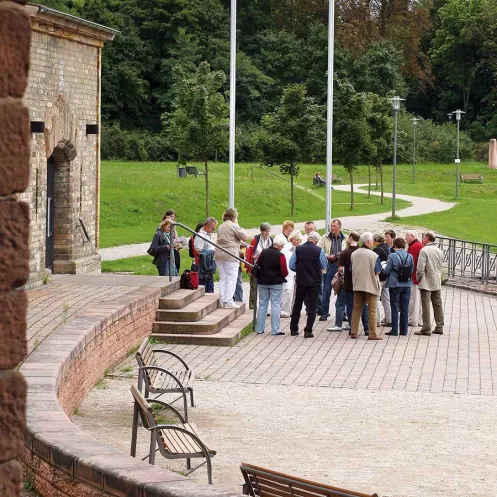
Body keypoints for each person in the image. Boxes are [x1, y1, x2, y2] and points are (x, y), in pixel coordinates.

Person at [327, 232, 369, 334]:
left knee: (347, 305)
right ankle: (367, 328)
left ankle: (350, 327)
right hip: (361, 282)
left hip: (348, 282)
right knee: (363, 305)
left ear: (350, 238)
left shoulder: (345, 252)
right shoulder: (362, 251)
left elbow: (340, 269)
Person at [289, 232, 327, 338]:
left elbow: (291, 265)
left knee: (297, 304)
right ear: (316, 240)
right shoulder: (319, 250)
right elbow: (324, 265)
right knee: (312, 306)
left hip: (301, 280)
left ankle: (293, 329)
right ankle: (308, 330)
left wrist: (301, 269)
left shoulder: (298, 249)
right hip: (314, 282)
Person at [350, 232, 382, 340]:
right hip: (370, 285)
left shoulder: (354, 254)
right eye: (372, 240)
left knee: (356, 309)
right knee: (372, 311)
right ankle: (372, 334)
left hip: (358, 284)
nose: (373, 242)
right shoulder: (374, 255)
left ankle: (353, 331)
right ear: (368, 242)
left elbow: (351, 269)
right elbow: (378, 271)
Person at [255, 234, 288, 336]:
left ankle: (259, 328)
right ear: (280, 245)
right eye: (282, 246)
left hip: (263, 281)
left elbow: (258, 264)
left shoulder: (264, 252)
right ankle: (275, 329)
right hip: (276, 282)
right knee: (275, 305)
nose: (282, 247)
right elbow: (284, 271)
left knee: (262, 305)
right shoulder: (280, 256)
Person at [215, 208, 248, 309]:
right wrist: (238, 224)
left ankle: (222, 300)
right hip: (231, 255)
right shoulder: (233, 225)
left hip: (219, 255)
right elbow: (245, 236)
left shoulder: (221, 226)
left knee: (223, 278)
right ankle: (228, 301)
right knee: (231, 279)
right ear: (234, 216)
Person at [382, 237, 414, 336]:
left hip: (395, 283)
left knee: (394, 307)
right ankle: (404, 330)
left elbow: (387, 270)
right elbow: (411, 270)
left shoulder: (392, 256)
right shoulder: (410, 256)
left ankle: (395, 330)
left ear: (395, 246)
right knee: (405, 307)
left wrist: (384, 271)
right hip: (407, 284)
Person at [415, 232, 444, 336]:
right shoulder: (439, 250)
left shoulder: (424, 250)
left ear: (427, 238)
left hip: (426, 281)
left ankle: (426, 328)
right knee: (437, 304)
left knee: (426, 305)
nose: (422, 239)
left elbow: (420, 268)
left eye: (423, 237)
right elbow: (441, 265)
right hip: (436, 279)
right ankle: (439, 326)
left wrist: (418, 278)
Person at [318, 219, 345, 321]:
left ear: (339, 227)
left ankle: (343, 313)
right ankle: (324, 313)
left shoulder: (345, 237)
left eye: (334, 226)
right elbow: (319, 250)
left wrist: (340, 256)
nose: (332, 228)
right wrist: (327, 256)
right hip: (329, 266)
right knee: (326, 289)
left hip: (341, 266)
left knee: (342, 290)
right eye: (331, 226)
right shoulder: (325, 237)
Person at [245, 223, 273, 309]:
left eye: (268, 231)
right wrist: (249, 268)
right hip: (255, 266)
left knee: (264, 287)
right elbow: (250, 253)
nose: (267, 233)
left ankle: (263, 305)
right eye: (265, 231)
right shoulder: (255, 240)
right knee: (254, 287)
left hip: (266, 267)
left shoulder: (271, 240)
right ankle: (252, 305)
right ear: (261, 231)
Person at [280, 230, 302, 317]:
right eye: (294, 239)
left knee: (297, 293)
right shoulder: (286, 248)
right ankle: (285, 311)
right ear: (291, 239)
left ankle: (295, 311)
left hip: (299, 273)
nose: (296, 241)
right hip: (289, 273)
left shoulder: (302, 248)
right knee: (288, 290)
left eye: (298, 240)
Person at [194, 217, 217, 293]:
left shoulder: (208, 235)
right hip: (203, 266)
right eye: (212, 228)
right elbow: (198, 251)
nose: (213, 230)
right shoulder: (200, 236)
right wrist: (211, 251)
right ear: (207, 226)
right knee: (206, 289)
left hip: (209, 265)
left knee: (210, 288)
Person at [406, 230, 424, 327]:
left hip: (414, 277)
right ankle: (419, 320)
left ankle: (413, 319)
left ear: (412, 236)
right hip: (418, 277)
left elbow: (411, 263)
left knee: (413, 299)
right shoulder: (419, 245)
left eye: (407, 237)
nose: (406, 239)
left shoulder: (414, 247)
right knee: (418, 300)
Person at [373, 234, 390, 326]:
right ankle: (389, 319)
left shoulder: (376, 250)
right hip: (386, 276)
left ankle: (377, 320)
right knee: (386, 299)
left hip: (379, 277)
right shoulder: (387, 249)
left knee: (375, 298)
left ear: (376, 241)